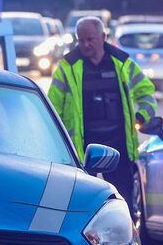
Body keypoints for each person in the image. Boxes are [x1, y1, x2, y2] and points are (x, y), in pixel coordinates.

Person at [48, 16, 156, 211]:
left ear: (103, 36)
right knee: (84, 208)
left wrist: (141, 118)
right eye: (81, 40)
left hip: (119, 147)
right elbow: (53, 107)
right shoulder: (67, 66)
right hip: (83, 151)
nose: (85, 44)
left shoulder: (122, 63)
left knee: (122, 205)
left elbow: (146, 93)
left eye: (90, 39)